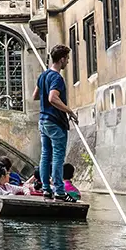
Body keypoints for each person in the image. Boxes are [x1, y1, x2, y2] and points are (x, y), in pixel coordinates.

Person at [32, 45, 78, 202]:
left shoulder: (43, 76)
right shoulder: (57, 78)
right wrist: (69, 111)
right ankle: (59, 190)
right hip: (55, 121)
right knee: (58, 156)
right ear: (62, 59)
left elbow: (35, 95)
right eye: (67, 59)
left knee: (45, 155)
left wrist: (45, 89)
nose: (68, 62)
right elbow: (52, 98)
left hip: (43, 121)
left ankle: (46, 189)